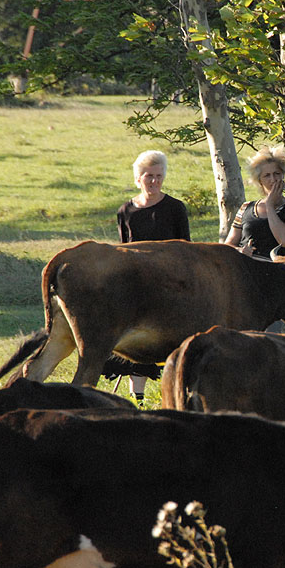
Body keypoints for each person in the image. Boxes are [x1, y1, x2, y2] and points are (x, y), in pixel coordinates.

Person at [116, 149, 190, 402]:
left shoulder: (175, 208)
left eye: (159, 176)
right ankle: (137, 397)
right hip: (137, 284)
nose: (154, 181)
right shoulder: (126, 211)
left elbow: (185, 248)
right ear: (138, 178)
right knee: (137, 337)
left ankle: (176, 392)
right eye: (149, 176)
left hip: (169, 283)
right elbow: (123, 249)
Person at [224, 146, 285, 258]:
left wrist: (269, 205)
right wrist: (240, 251)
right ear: (260, 181)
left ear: (283, 175)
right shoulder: (246, 208)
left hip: (275, 269)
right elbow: (227, 245)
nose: (273, 179)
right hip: (244, 268)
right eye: (267, 175)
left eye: (277, 173)